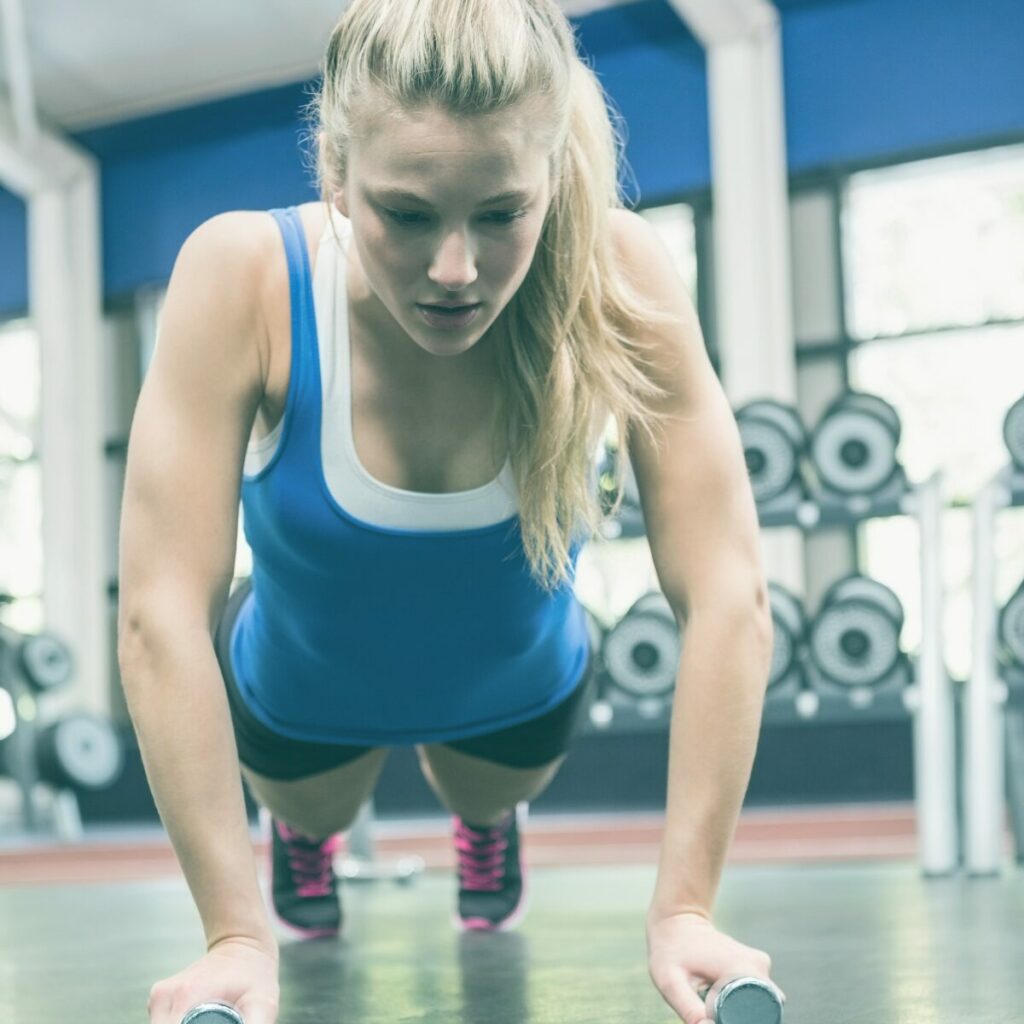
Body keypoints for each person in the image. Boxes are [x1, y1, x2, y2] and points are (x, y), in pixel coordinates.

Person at [117, 1, 782, 1022]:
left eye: (502, 212)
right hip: (302, 696)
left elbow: (728, 588)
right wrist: (235, 932)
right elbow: (159, 608)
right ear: (335, 172)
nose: (456, 270)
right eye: (408, 214)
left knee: (483, 789)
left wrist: (686, 904)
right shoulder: (243, 275)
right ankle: (307, 838)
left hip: (512, 688)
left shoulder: (618, 269)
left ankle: (487, 822)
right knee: (317, 800)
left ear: (552, 176)